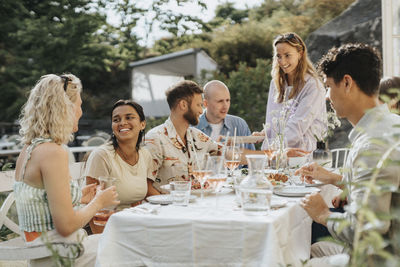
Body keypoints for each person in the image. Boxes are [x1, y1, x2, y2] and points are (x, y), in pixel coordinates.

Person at [296, 43, 400, 265]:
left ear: (347, 83)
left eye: (328, 86)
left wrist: (323, 214)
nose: (326, 96)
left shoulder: (372, 145)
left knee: (292, 260)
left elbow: (366, 233)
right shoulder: (392, 124)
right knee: (314, 249)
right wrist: (336, 179)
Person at [14, 74, 119, 267]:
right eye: (79, 105)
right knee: (134, 250)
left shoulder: (29, 149)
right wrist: (98, 202)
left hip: (44, 253)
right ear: (64, 108)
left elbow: (41, 204)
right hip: (62, 256)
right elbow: (66, 226)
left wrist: (80, 197)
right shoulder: (53, 152)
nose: (81, 111)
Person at [84, 100, 159, 233]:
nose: (122, 123)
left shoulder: (145, 155)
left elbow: (147, 190)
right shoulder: (102, 156)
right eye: (116, 119)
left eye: (129, 117)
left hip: (134, 224)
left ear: (142, 124)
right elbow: (91, 205)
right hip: (107, 229)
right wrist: (102, 242)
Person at [145, 80, 222, 191]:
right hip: (167, 205)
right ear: (183, 105)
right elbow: (146, 186)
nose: (201, 111)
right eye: (199, 105)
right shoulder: (154, 138)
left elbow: (229, 154)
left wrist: (255, 149)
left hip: (195, 203)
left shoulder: (197, 136)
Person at [256, 32, 327, 151]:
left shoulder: (313, 86)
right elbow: (272, 120)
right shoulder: (276, 84)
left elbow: (297, 127)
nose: (282, 62)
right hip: (276, 155)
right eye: (279, 56)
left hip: (303, 154)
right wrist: (264, 133)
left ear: (300, 53)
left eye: (287, 55)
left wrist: (272, 149)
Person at [196, 80, 255, 150]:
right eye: (220, 101)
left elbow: (251, 157)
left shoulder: (239, 124)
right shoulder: (192, 126)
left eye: (227, 100)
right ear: (205, 103)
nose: (225, 106)